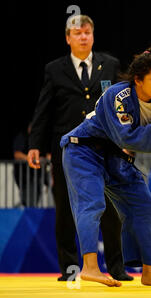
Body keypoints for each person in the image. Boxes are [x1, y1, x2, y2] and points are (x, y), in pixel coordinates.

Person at [60, 44, 151, 287]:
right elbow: (124, 137)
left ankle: (149, 273)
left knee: (145, 205)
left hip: (114, 157)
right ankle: (89, 267)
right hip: (83, 150)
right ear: (138, 80)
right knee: (93, 203)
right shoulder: (117, 95)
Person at [27, 15, 132, 281]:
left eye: (87, 32)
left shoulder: (109, 65)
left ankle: (116, 267)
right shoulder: (54, 69)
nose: (83, 36)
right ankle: (71, 269)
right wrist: (34, 146)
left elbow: (120, 105)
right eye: (77, 33)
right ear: (68, 38)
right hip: (66, 150)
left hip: (104, 147)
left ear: (93, 35)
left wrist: (127, 139)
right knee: (64, 208)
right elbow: (44, 110)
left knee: (110, 209)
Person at [13, 124, 50, 207]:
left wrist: (45, 159)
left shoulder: (41, 138)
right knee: (29, 201)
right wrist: (33, 159)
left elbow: (48, 154)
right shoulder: (23, 137)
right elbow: (17, 154)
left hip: (39, 175)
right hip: (26, 176)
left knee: (34, 200)